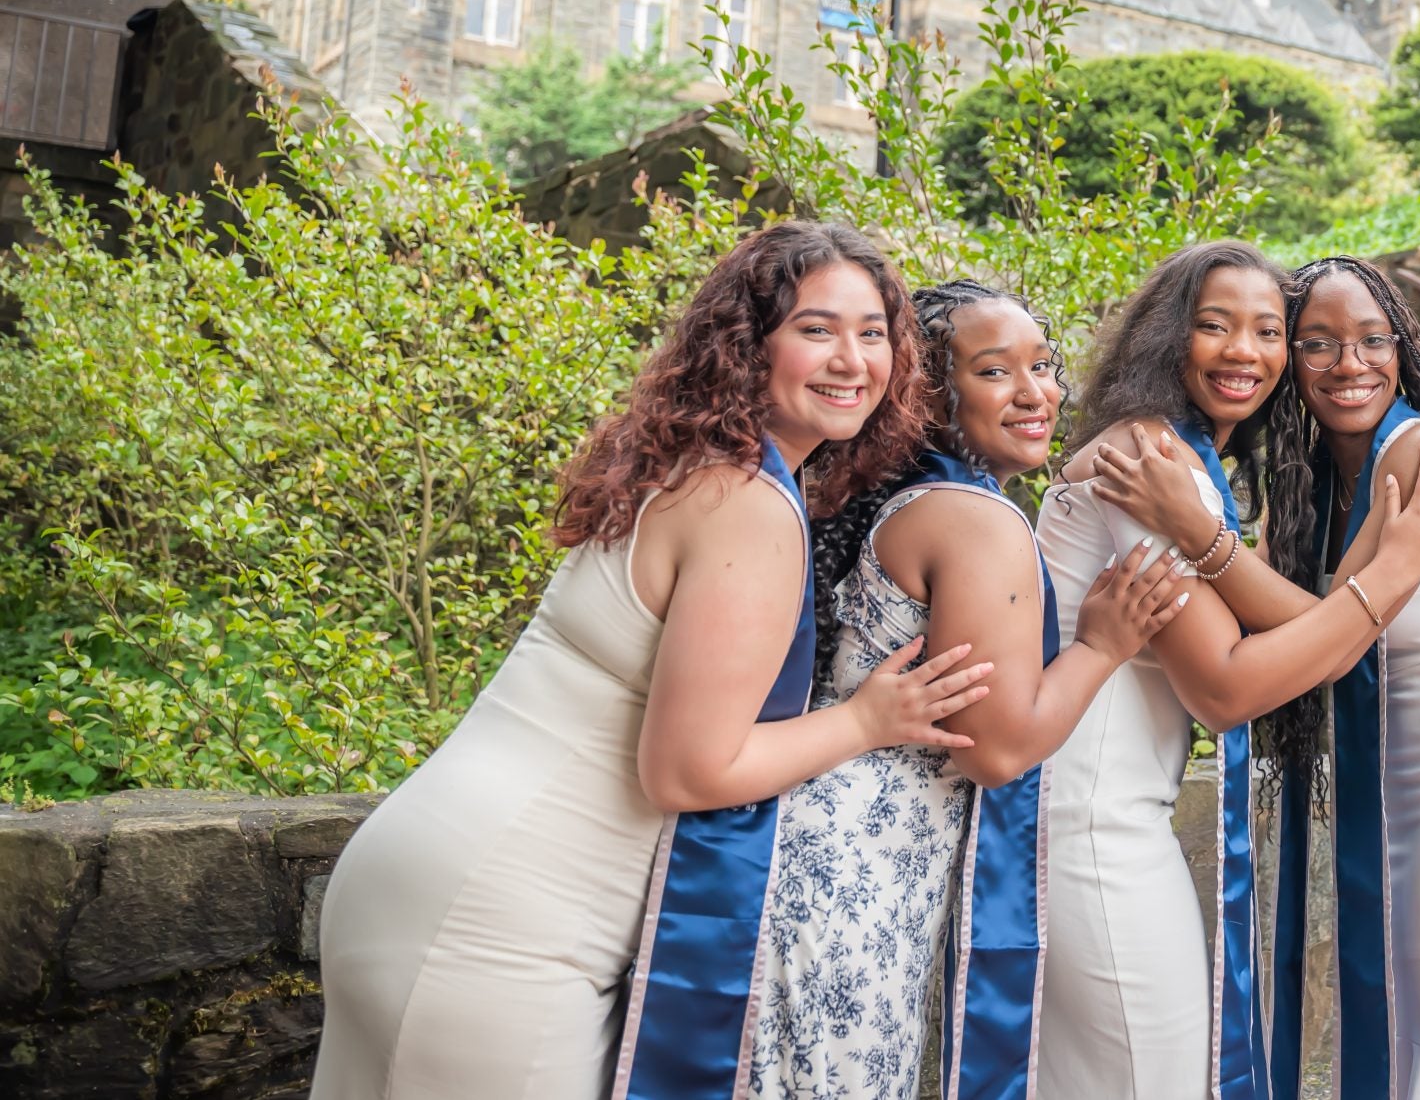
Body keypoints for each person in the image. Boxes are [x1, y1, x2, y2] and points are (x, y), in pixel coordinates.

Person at [313, 221, 995, 1100]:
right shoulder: (748, 503)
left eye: (873, 333)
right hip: (506, 917)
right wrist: (867, 720)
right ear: (751, 345)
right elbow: (686, 768)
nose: (853, 359)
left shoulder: (687, 463)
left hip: (424, 871)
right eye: (816, 329)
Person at [981, 239, 1420, 1100]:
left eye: (1268, 331)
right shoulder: (1149, 462)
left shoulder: (1171, 459)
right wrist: (1392, 574)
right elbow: (1226, 684)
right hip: (1090, 828)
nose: (1244, 350)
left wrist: (1362, 594)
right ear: (1170, 338)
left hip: (1085, 817)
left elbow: (1278, 620)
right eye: (1215, 326)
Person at [1100, 255, 1420, 1098]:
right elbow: (1325, 617)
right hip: (1404, 801)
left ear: (1405, 347)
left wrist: (1198, 530)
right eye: (1317, 344)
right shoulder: (1321, 479)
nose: (1348, 364)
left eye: (1369, 340)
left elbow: (1329, 630)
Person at [749, 279, 1186, 1099]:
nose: (1036, 393)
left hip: (823, 849)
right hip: (856, 876)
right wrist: (1103, 643)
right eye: (995, 373)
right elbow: (997, 747)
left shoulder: (899, 495)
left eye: (1045, 365)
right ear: (926, 393)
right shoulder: (973, 518)